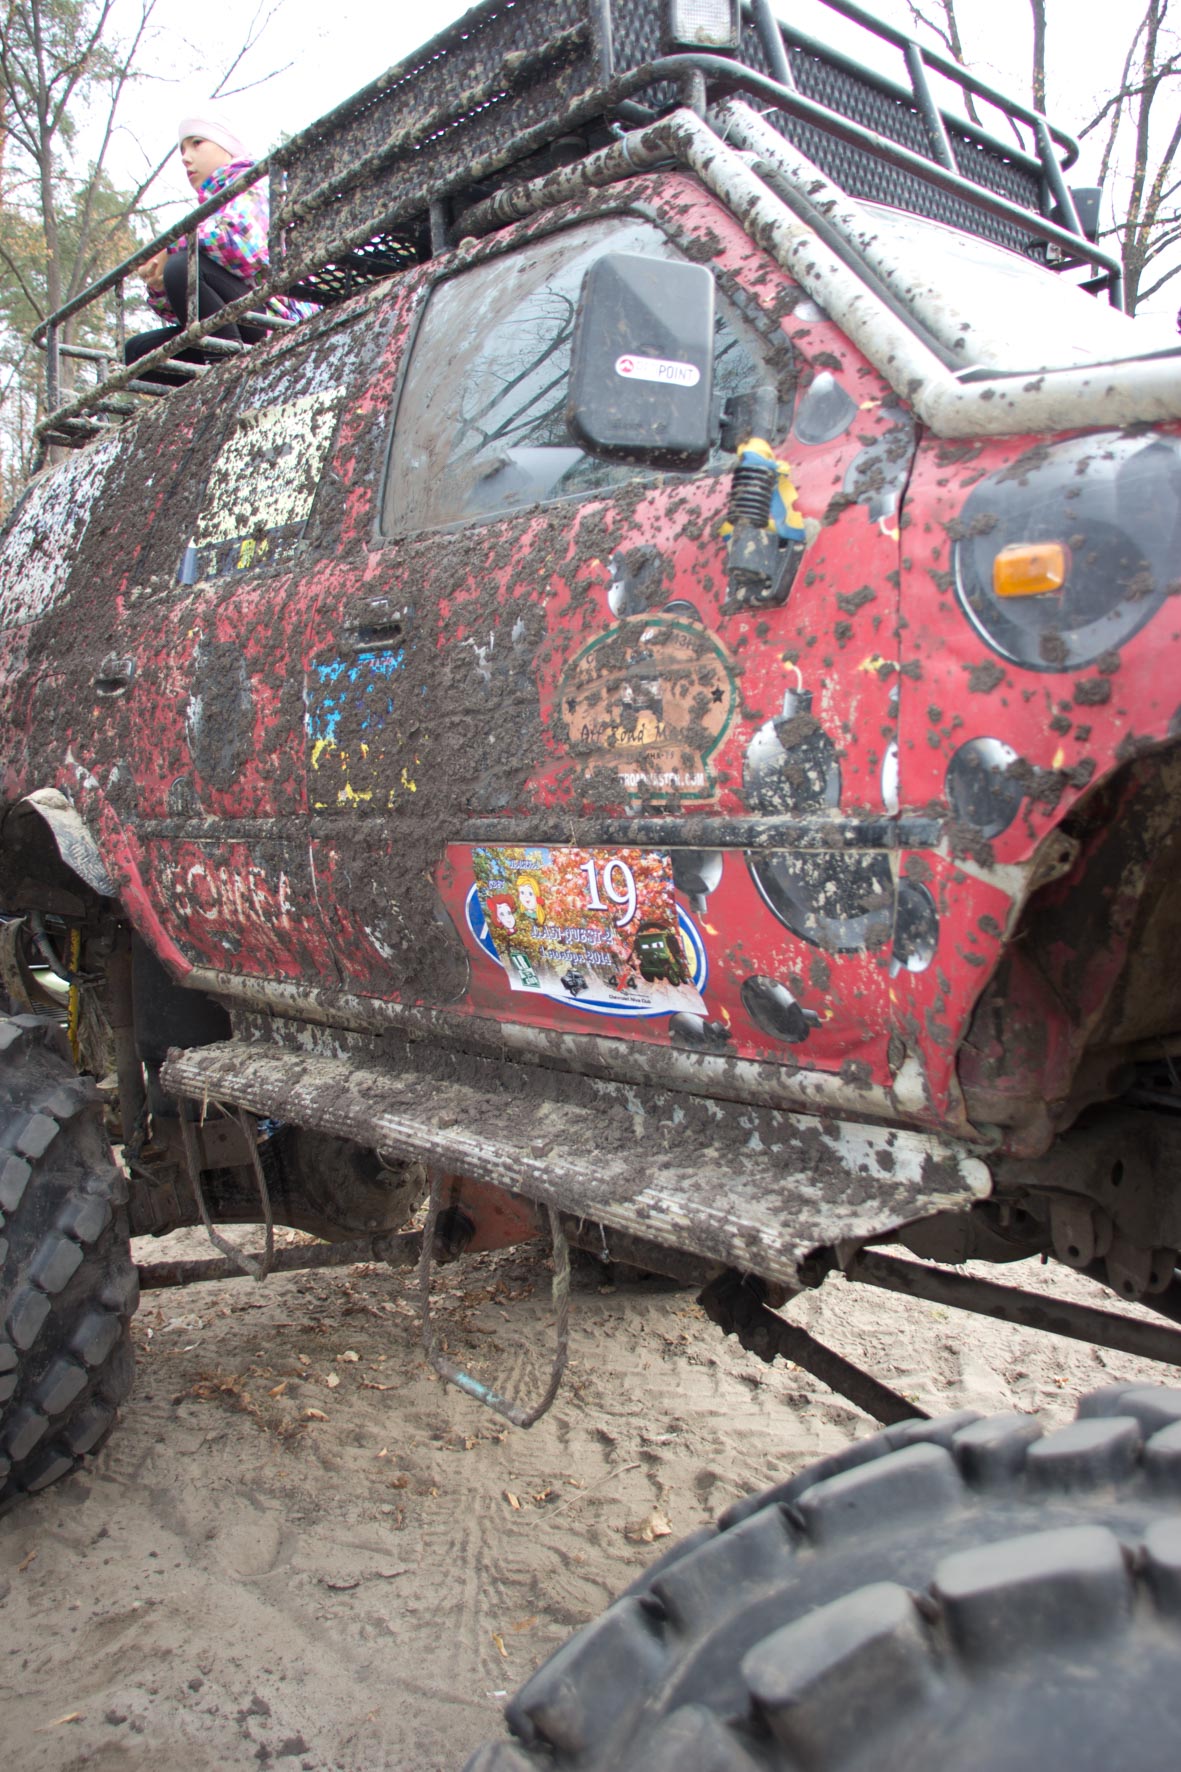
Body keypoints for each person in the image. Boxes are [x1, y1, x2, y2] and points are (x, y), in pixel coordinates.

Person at [124, 109, 315, 380]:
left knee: (182, 267)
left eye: (197, 143)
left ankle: (229, 379)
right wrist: (159, 285)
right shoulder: (209, 212)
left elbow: (242, 246)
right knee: (136, 352)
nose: (185, 157)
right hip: (238, 322)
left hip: (275, 316)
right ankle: (217, 374)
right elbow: (189, 312)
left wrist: (173, 249)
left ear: (227, 146)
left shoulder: (256, 182)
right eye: (182, 149)